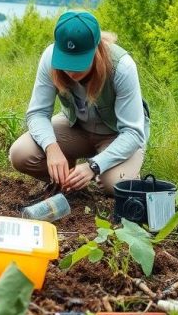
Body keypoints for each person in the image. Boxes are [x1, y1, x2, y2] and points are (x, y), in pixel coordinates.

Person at [9, 11, 148, 195]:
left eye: (79, 61)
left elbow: (132, 133)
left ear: (97, 49)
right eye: (66, 60)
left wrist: (93, 167)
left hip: (116, 135)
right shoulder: (49, 58)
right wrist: (52, 148)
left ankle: (111, 173)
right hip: (76, 127)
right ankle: (70, 180)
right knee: (21, 154)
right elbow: (37, 113)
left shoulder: (122, 66)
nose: (70, 71)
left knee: (115, 184)